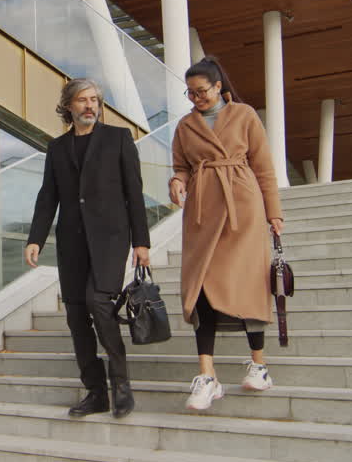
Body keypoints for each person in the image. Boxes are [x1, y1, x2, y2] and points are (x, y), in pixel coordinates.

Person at [25, 78, 151, 418]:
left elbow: (134, 192)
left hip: (111, 237)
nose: (90, 106)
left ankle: (121, 383)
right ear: (69, 105)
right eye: (82, 100)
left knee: (98, 301)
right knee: (76, 315)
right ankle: (96, 392)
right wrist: (35, 238)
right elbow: (47, 195)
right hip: (72, 242)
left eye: (94, 100)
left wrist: (141, 241)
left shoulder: (119, 138)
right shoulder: (57, 148)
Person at [168, 56, 284, 411]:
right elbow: (181, 166)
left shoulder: (245, 115)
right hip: (202, 211)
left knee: (248, 283)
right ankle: (207, 376)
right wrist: (176, 181)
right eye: (190, 93)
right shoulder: (185, 127)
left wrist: (274, 213)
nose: (196, 98)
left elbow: (263, 167)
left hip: (243, 208)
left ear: (219, 87)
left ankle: (259, 366)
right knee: (200, 286)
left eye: (201, 91)